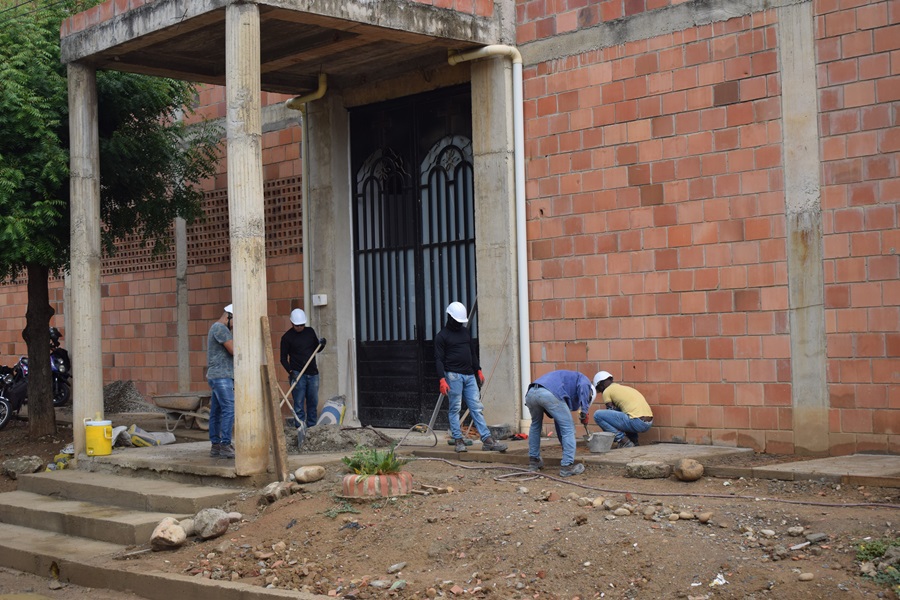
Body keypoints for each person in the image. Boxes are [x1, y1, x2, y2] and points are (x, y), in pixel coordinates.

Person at [435, 301, 507, 453]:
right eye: (457, 321)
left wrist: (478, 369)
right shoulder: (442, 336)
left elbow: (472, 353)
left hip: (469, 376)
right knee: (455, 408)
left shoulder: (465, 333)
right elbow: (438, 359)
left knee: (476, 408)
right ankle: (458, 440)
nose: (458, 324)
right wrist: (442, 379)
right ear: (450, 318)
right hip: (453, 376)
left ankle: (487, 440)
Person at [524, 370, 594, 477]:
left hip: (531, 392)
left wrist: (565, 446)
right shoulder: (584, 380)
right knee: (569, 428)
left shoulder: (565, 383)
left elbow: (559, 424)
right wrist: (585, 410)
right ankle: (567, 467)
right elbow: (584, 385)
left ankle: (534, 462)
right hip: (548, 393)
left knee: (535, 425)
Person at [280, 308, 326, 428]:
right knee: (299, 403)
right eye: (297, 325)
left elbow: (317, 348)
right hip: (298, 374)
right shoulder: (287, 338)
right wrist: (291, 371)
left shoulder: (310, 332)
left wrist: (322, 344)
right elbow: (283, 359)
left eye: (302, 325)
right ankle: (300, 427)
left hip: (313, 373)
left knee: (313, 402)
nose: (300, 327)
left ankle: (311, 428)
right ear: (292, 323)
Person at [591, 371, 653, 448]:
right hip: (648, 423)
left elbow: (610, 413)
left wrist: (609, 432)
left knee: (598, 415)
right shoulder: (624, 388)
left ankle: (624, 441)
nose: (600, 391)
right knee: (623, 413)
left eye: (599, 389)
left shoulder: (607, 391)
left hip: (636, 422)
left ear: (601, 384)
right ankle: (634, 441)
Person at [207, 304, 235, 459]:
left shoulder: (216, 328)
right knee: (229, 408)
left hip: (218, 376)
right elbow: (234, 350)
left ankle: (216, 446)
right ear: (228, 316)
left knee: (216, 412)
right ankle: (225, 444)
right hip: (221, 376)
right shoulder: (220, 328)